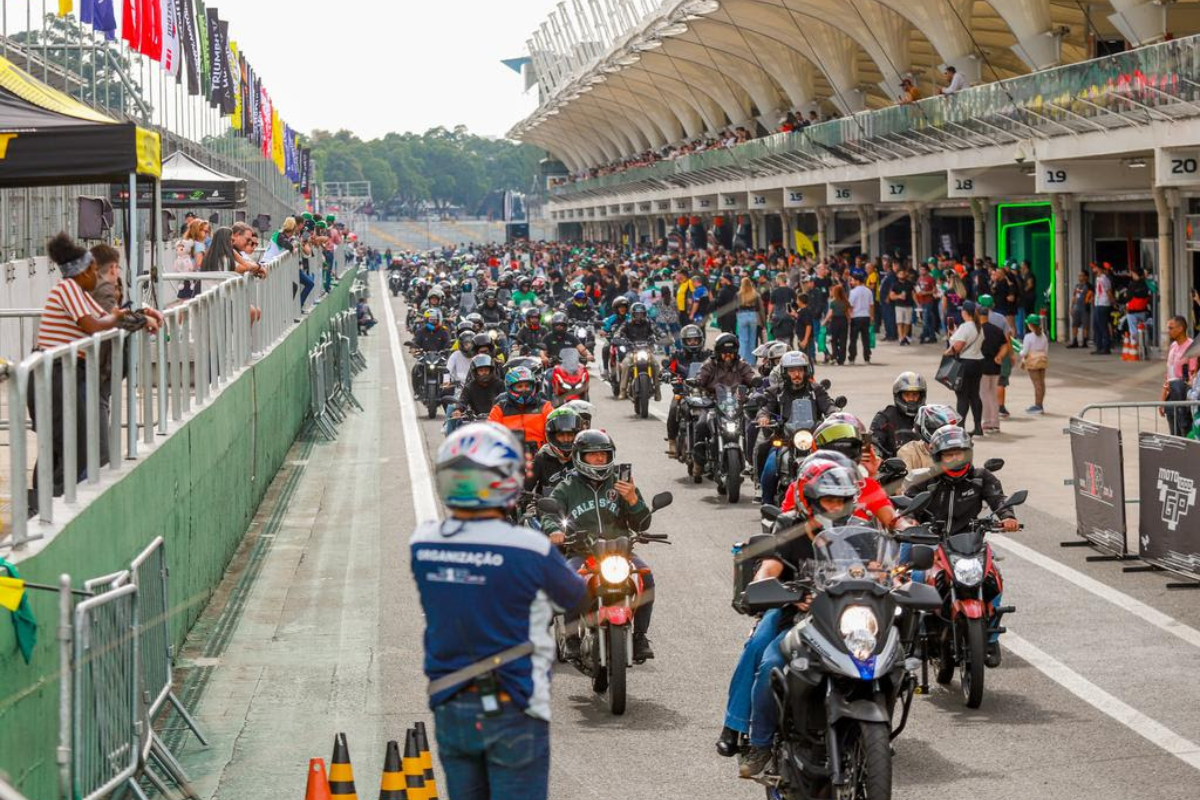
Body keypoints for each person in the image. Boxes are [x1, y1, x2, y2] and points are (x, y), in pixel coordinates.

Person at [411, 423, 586, 800]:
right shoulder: (529, 548)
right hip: (514, 704)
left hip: (451, 703)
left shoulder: (423, 544)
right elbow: (573, 595)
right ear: (506, 480)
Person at [726, 456, 860, 777]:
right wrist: (764, 585)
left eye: (842, 500)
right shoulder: (788, 528)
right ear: (811, 501)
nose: (835, 507)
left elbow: (881, 566)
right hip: (796, 619)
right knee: (770, 662)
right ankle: (758, 743)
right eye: (828, 500)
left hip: (847, 621)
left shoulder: (859, 531)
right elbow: (771, 565)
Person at [28, 234, 162, 511]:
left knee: (72, 445)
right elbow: (95, 325)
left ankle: (55, 505)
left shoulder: (78, 293)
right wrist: (123, 317)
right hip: (54, 376)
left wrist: (142, 314)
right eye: (91, 270)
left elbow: (112, 317)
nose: (96, 276)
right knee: (64, 445)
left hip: (67, 374)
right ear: (80, 272)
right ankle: (47, 507)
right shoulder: (67, 290)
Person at [540, 429, 658, 661]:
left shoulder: (621, 484)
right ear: (579, 457)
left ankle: (640, 636)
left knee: (647, 577)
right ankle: (572, 637)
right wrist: (554, 530)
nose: (599, 460)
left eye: (603, 455)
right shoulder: (567, 486)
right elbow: (550, 513)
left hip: (620, 553)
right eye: (593, 455)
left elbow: (642, 522)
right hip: (583, 552)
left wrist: (633, 500)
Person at [907, 425, 1018, 665]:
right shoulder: (925, 479)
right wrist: (909, 521)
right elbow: (906, 503)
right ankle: (916, 640)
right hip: (934, 543)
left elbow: (998, 499)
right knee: (915, 577)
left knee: (993, 579)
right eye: (949, 454)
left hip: (971, 542)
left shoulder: (981, 477)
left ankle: (989, 638)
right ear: (938, 457)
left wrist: (1007, 517)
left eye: (960, 453)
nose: (955, 459)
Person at [756, 351, 835, 504]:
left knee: (833, 465)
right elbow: (765, 408)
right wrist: (763, 417)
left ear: (806, 370)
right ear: (785, 372)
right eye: (792, 370)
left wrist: (835, 415)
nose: (796, 374)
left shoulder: (815, 390)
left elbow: (828, 405)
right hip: (784, 441)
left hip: (813, 441)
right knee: (770, 468)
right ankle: (766, 504)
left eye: (800, 369)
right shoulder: (776, 391)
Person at [693, 333, 757, 473]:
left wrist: (755, 382)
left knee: (750, 427)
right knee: (702, 424)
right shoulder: (709, 365)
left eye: (731, 353)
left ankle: (750, 461)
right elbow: (701, 377)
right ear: (718, 352)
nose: (728, 356)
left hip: (736, 405)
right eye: (724, 353)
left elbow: (750, 376)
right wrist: (697, 381)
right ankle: (699, 462)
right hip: (713, 404)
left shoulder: (741, 365)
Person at [663, 324, 710, 457]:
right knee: (673, 409)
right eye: (690, 340)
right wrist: (667, 374)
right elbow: (669, 368)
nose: (693, 343)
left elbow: (718, 366)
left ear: (701, 340)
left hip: (704, 392)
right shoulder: (677, 356)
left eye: (696, 340)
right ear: (684, 342)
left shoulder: (708, 355)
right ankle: (672, 442)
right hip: (684, 391)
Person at [488, 365, 554, 450]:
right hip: (511, 457)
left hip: (541, 456)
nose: (524, 390)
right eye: (519, 386)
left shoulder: (545, 407)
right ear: (510, 388)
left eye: (527, 386)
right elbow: (490, 436)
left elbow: (554, 433)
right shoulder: (499, 409)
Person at [946, 301, 986, 436]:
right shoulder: (979, 327)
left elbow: (958, 347)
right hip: (978, 362)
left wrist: (947, 352)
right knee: (975, 395)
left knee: (962, 396)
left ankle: (961, 427)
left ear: (964, 312)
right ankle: (978, 426)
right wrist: (954, 333)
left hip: (965, 363)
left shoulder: (965, 327)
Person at [529, 407, 584, 496]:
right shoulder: (541, 457)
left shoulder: (584, 454)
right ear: (552, 436)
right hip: (549, 508)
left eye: (570, 434)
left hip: (581, 506)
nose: (566, 439)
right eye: (561, 435)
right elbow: (524, 489)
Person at [899, 404, 962, 479]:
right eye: (942, 430)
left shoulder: (959, 450)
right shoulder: (908, 452)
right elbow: (905, 485)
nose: (948, 435)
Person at [871, 372, 927, 458]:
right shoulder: (885, 417)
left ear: (921, 396)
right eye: (907, 395)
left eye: (915, 395)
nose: (911, 399)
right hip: (895, 468)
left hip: (927, 468)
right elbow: (874, 444)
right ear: (898, 396)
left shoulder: (928, 416)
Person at [448, 354, 504, 435]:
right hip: (475, 423)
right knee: (457, 427)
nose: (484, 373)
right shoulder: (469, 387)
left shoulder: (499, 384)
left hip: (496, 421)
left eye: (486, 370)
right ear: (475, 372)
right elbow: (462, 401)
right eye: (481, 371)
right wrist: (458, 410)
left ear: (491, 371)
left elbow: (505, 400)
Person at [979, 301, 1012, 434]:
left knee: (984, 394)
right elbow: (1005, 345)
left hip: (982, 366)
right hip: (995, 366)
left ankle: (986, 422)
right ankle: (995, 423)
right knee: (992, 394)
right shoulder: (996, 330)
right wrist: (999, 356)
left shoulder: (978, 331)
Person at [616, 302, 660, 401]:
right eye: (637, 314)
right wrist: (617, 337)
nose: (639, 316)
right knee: (626, 364)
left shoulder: (649, 322)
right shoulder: (627, 323)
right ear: (633, 314)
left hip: (646, 350)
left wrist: (662, 335)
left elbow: (657, 330)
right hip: (632, 351)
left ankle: (657, 391)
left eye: (641, 314)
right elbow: (619, 332)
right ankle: (622, 390)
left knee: (656, 365)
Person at [1162, 315, 1198, 436]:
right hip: (1171, 397)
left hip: (1184, 398)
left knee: (1184, 432)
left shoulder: (1192, 347)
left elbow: (1193, 376)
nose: (1168, 331)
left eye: (1171, 328)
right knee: (1174, 435)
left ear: (1180, 328)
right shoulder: (1173, 346)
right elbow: (1168, 375)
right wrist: (1163, 400)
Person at [1020, 314, 1049, 414]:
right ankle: (1040, 404)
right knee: (1041, 383)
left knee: (1037, 384)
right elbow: (1046, 350)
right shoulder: (1044, 336)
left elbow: (1025, 352)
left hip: (1033, 362)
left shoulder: (1028, 337)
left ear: (1030, 325)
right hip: (1042, 360)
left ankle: (1038, 406)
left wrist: (1020, 353)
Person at [735, 277, 766, 364]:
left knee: (743, 339)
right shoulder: (755, 294)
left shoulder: (739, 294)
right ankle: (751, 361)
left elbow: (735, 308)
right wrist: (763, 323)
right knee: (752, 339)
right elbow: (760, 309)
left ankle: (741, 360)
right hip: (753, 315)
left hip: (742, 316)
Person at [848, 273, 873, 363]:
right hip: (866, 316)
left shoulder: (853, 292)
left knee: (853, 338)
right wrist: (872, 316)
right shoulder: (868, 291)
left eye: (853, 280)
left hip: (856, 316)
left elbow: (850, 305)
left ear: (858, 281)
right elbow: (871, 305)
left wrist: (849, 316)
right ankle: (867, 358)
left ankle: (852, 357)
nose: (851, 282)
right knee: (866, 339)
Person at [824, 283, 851, 365]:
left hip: (835, 321)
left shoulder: (833, 302)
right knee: (843, 340)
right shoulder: (846, 302)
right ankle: (842, 359)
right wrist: (849, 322)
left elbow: (830, 313)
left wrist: (824, 322)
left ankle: (835, 355)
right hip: (843, 321)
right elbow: (848, 314)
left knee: (834, 340)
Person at [889, 267, 916, 345]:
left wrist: (917, 303)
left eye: (903, 273)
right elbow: (891, 296)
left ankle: (904, 336)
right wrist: (898, 296)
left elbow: (913, 294)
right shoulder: (895, 285)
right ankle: (901, 338)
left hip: (909, 305)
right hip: (899, 305)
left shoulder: (910, 284)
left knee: (907, 322)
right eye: (900, 274)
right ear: (897, 275)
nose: (902, 275)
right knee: (900, 322)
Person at [1091, 262, 1114, 355]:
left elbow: (1108, 292)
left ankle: (1106, 347)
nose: (1093, 269)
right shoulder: (1098, 278)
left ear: (1099, 269)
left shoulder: (1104, 279)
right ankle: (1099, 346)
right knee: (1096, 326)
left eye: (1095, 268)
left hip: (1103, 304)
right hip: (1098, 304)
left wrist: (1112, 302)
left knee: (1103, 326)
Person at [1068, 270, 1092, 349]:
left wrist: (1089, 301)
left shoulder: (1089, 286)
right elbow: (1074, 297)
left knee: (1085, 325)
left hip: (1085, 308)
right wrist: (1071, 307)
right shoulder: (1077, 286)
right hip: (1076, 308)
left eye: (1081, 275)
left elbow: (1092, 296)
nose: (1079, 277)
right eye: (1079, 276)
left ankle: (1085, 341)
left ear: (1086, 277)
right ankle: (1075, 341)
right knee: (1074, 325)